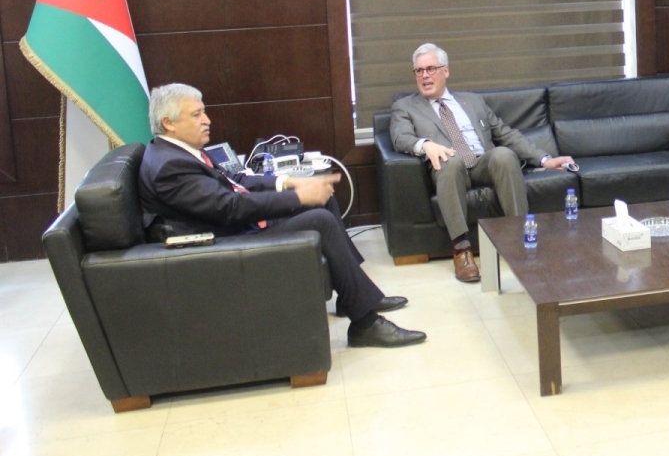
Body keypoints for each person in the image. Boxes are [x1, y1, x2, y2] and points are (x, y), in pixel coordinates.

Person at [139, 84, 425, 349]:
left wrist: (288, 182)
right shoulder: (170, 166)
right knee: (319, 220)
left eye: (204, 112)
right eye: (197, 114)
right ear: (169, 123)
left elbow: (236, 180)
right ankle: (365, 324)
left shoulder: (180, 152)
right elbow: (229, 207)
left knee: (325, 201)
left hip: (237, 226)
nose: (207, 120)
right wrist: (298, 197)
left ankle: (352, 294)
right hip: (226, 244)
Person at [389, 43, 575, 282]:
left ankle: (520, 239)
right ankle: (462, 251)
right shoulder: (405, 106)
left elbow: (505, 134)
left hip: (481, 163)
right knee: (451, 160)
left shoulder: (472, 101)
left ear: (446, 70)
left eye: (431, 69)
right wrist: (425, 144)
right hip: (448, 168)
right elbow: (400, 137)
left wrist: (544, 159)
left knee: (503, 154)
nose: (424, 75)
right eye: (419, 71)